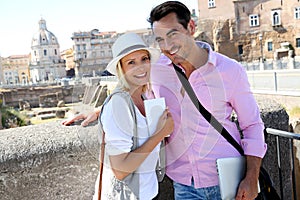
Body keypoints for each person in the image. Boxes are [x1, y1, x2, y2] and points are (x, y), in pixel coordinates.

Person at [147, 1, 267, 200]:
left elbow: (252, 125)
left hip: (229, 183)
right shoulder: (156, 72)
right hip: (184, 185)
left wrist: (251, 177)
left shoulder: (230, 70)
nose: (167, 46)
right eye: (160, 39)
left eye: (173, 34)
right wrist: (103, 110)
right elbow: (138, 101)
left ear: (191, 28)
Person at [82, 32, 174, 200]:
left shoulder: (142, 96)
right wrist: (160, 133)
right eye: (131, 62)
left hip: (147, 193)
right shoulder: (119, 105)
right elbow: (120, 170)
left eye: (144, 59)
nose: (141, 67)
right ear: (121, 69)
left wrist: (99, 111)